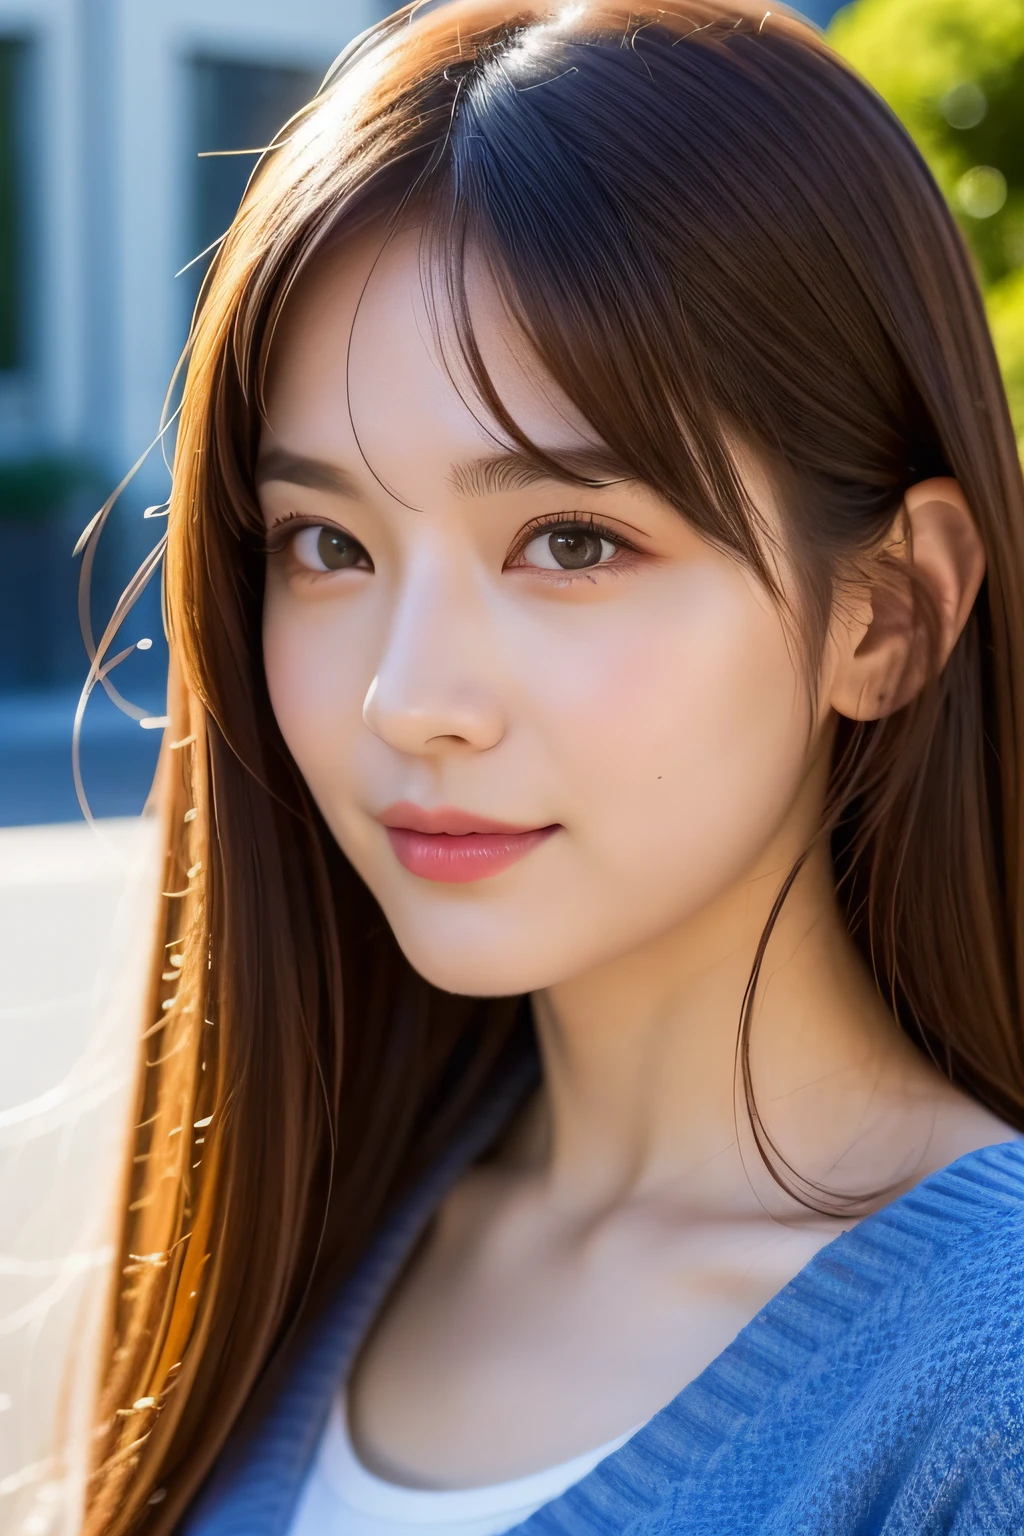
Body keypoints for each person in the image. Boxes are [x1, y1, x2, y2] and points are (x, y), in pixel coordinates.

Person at [83, 1, 1024, 1531]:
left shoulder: (986, 1387)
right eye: (328, 545)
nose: (409, 697)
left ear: (892, 611)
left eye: (571, 541)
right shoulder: (315, 1231)